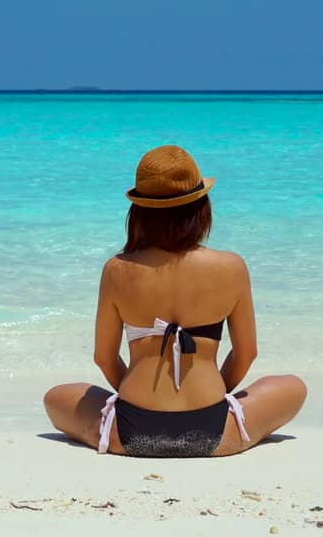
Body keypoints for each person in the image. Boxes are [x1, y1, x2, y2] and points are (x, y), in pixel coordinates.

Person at [43, 145, 307, 456]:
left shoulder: (118, 269)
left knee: (55, 397)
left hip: (131, 430)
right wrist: (211, 394)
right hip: (215, 429)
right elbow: (246, 354)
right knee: (293, 387)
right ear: (201, 209)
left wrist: (140, 397)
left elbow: (104, 358)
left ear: (139, 212)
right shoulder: (231, 267)